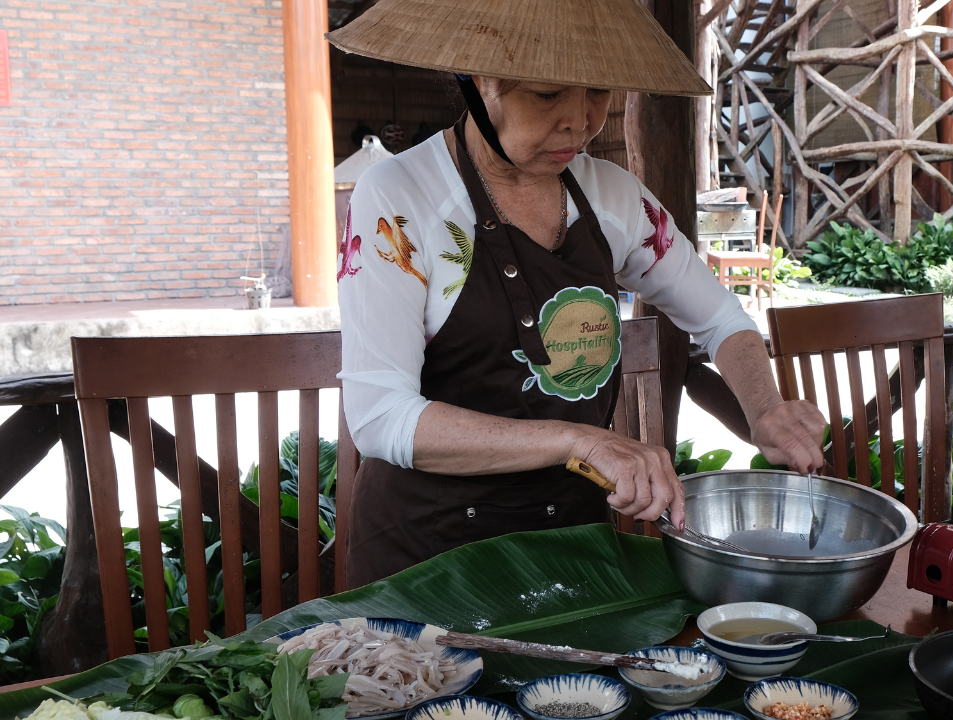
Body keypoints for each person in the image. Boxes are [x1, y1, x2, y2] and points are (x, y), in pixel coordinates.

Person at [329, 0, 828, 587]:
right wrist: (580, 440)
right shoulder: (399, 197)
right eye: (546, 95)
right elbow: (380, 417)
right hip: (432, 559)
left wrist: (765, 408)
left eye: (597, 91)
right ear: (476, 79)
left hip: (571, 543)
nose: (580, 121)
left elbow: (718, 316)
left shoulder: (611, 197)